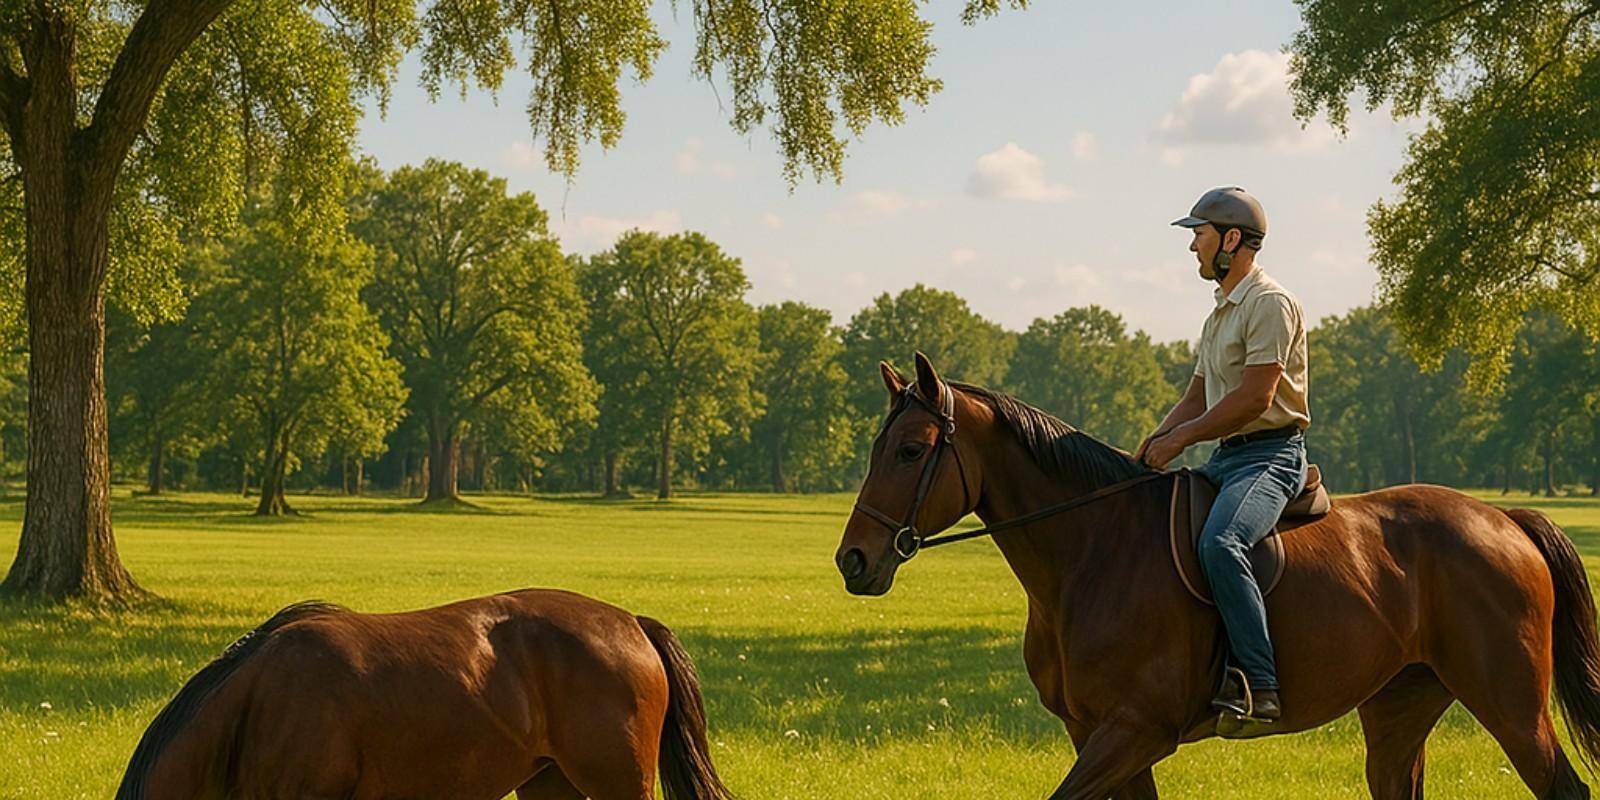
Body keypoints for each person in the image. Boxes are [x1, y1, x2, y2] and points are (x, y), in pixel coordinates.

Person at [1135, 187, 1310, 723]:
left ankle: (1260, 684)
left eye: (1199, 234)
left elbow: (1255, 398)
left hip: (1270, 457)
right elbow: (1196, 396)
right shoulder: (1219, 315)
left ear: (1231, 240)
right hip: (1227, 458)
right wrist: (1149, 446)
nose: (1192, 247)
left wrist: (1181, 441)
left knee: (1222, 542)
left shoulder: (1270, 305)